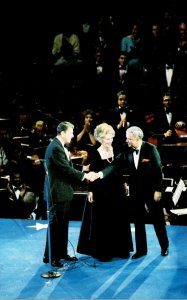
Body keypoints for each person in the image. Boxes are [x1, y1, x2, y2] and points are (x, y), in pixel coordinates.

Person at [43, 121, 98, 268]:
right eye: (71, 132)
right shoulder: (55, 147)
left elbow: (67, 166)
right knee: (56, 226)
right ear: (63, 133)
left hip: (63, 192)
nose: (73, 135)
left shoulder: (60, 146)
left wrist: (83, 168)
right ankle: (51, 256)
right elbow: (65, 169)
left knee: (62, 225)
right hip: (57, 192)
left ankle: (61, 253)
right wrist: (84, 176)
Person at [77, 123, 133, 262]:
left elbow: (120, 169)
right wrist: (90, 191)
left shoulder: (117, 149)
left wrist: (124, 183)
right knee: (104, 221)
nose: (110, 141)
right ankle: (104, 251)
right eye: (108, 139)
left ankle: (120, 249)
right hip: (101, 192)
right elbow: (91, 174)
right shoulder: (94, 153)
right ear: (101, 139)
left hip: (117, 190)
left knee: (119, 218)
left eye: (112, 138)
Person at [114, 126, 169, 259]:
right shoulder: (126, 148)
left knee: (158, 219)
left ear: (138, 138)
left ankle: (164, 246)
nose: (127, 141)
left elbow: (157, 170)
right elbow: (117, 165)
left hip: (151, 190)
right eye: (127, 138)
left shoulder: (151, 149)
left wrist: (157, 190)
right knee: (138, 220)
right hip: (135, 190)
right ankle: (141, 250)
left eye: (130, 139)